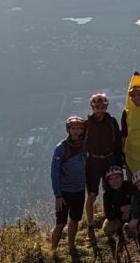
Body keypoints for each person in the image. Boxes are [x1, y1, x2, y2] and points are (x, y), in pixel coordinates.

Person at [83, 92, 122, 242]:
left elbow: (117, 143)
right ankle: (90, 228)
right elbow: (83, 145)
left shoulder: (112, 122)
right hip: (93, 162)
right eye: (96, 107)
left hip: (109, 161)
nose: (99, 110)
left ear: (106, 107)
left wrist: (118, 163)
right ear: (92, 108)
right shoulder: (87, 123)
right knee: (92, 195)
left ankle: (112, 221)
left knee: (111, 192)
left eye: (102, 107)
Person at [50, 115, 87, 253]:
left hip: (79, 190)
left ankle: (71, 246)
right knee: (60, 223)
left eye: (79, 128)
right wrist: (58, 195)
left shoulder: (84, 146)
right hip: (65, 192)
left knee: (75, 219)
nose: (76, 131)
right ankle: (53, 249)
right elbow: (54, 172)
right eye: (73, 128)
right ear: (68, 130)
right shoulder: (61, 148)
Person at [102, 166, 132, 240]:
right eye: (111, 179)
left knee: (133, 231)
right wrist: (121, 209)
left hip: (133, 214)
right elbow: (108, 215)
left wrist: (129, 209)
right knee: (107, 229)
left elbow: (139, 202)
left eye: (117, 177)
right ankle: (119, 232)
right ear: (108, 182)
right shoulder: (107, 194)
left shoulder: (130, 186)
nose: (115, 181)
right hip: (117, 217)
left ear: (122, 178)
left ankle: (134, 230)